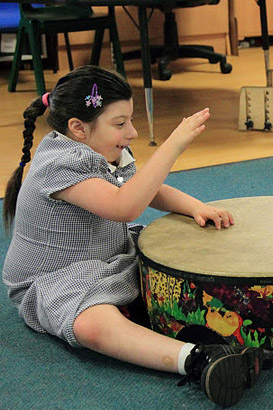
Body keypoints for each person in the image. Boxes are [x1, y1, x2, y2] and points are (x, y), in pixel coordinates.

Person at [2, 65, 268, 408]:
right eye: (120, 123)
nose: (132, 132)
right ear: (78, 128)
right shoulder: (58, 164)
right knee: (92, 327)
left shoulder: (105, 148)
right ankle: (199, 359)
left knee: (177, 254)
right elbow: (125, 205)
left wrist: (195, 206)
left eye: (130, 120)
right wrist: (172, 146)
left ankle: (247, 331)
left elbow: (143, 187)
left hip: (110, 255)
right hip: (57, 279)